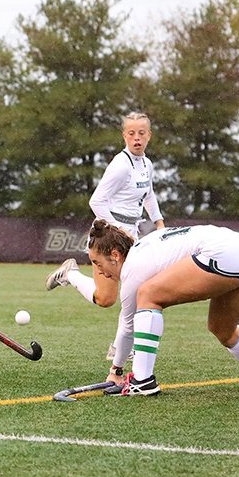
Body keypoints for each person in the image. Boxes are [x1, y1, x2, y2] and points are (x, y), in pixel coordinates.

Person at [76, 219, 239, 396]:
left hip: (224, 254)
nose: (99, 271)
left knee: (148, 295)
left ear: (114, 255)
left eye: (97, 262)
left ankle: (142, 381)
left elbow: (127, 325)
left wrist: (116, 370)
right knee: (222, 328)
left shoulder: (133, 266)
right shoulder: (145, 247)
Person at [46, 112, 165, 361]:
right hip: (109, 238)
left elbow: (149, 195)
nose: (136, 138)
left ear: (149, 136)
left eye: (141, 133)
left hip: (131, 234)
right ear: (124, 136)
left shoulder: (147, 164)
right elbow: (96, 201)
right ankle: (70, 273)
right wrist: (117, 232)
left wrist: (159, 223)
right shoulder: (120, 165)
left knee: (138, 289)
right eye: (131, 133)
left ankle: (119, 347)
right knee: (105, 299)